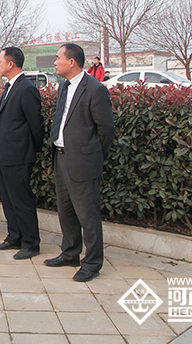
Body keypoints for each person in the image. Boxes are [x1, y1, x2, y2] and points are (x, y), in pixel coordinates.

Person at [47, 43, 116, 282]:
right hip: (61, 157)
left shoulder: (95, 89)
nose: (55, 62)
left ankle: (92, 263)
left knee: (88, 215)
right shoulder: (63, 86)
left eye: (58, 58)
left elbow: (106, 129)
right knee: (65, 210)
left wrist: (93, 155)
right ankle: (70, 253)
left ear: (71, 62)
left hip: (83, 161)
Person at [0, 47, 44, 260]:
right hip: (4, 154)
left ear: (11, 63)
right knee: (8, 199)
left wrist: (31, 149)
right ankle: (15, 236)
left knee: (21, 200)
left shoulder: (26, 88)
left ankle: (31, 243)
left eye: (0, 60)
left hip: (19, 155)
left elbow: (35, 124)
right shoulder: (10, 87)